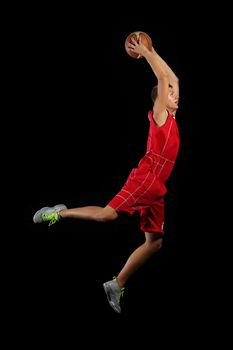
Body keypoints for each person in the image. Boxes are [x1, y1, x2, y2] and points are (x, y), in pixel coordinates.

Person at [33, 36, 180, 314]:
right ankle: (59, 212)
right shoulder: (160, 114)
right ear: (161, 99)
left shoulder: (173, 116)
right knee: (106, 215)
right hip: (146, 178)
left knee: (155, 242)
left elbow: (172, 76)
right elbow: (163, 77)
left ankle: (117, 283)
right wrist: (146, 53)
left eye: (174, 93)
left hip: (158, 186)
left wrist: (153, 50)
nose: (175, 94)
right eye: (171, 93)